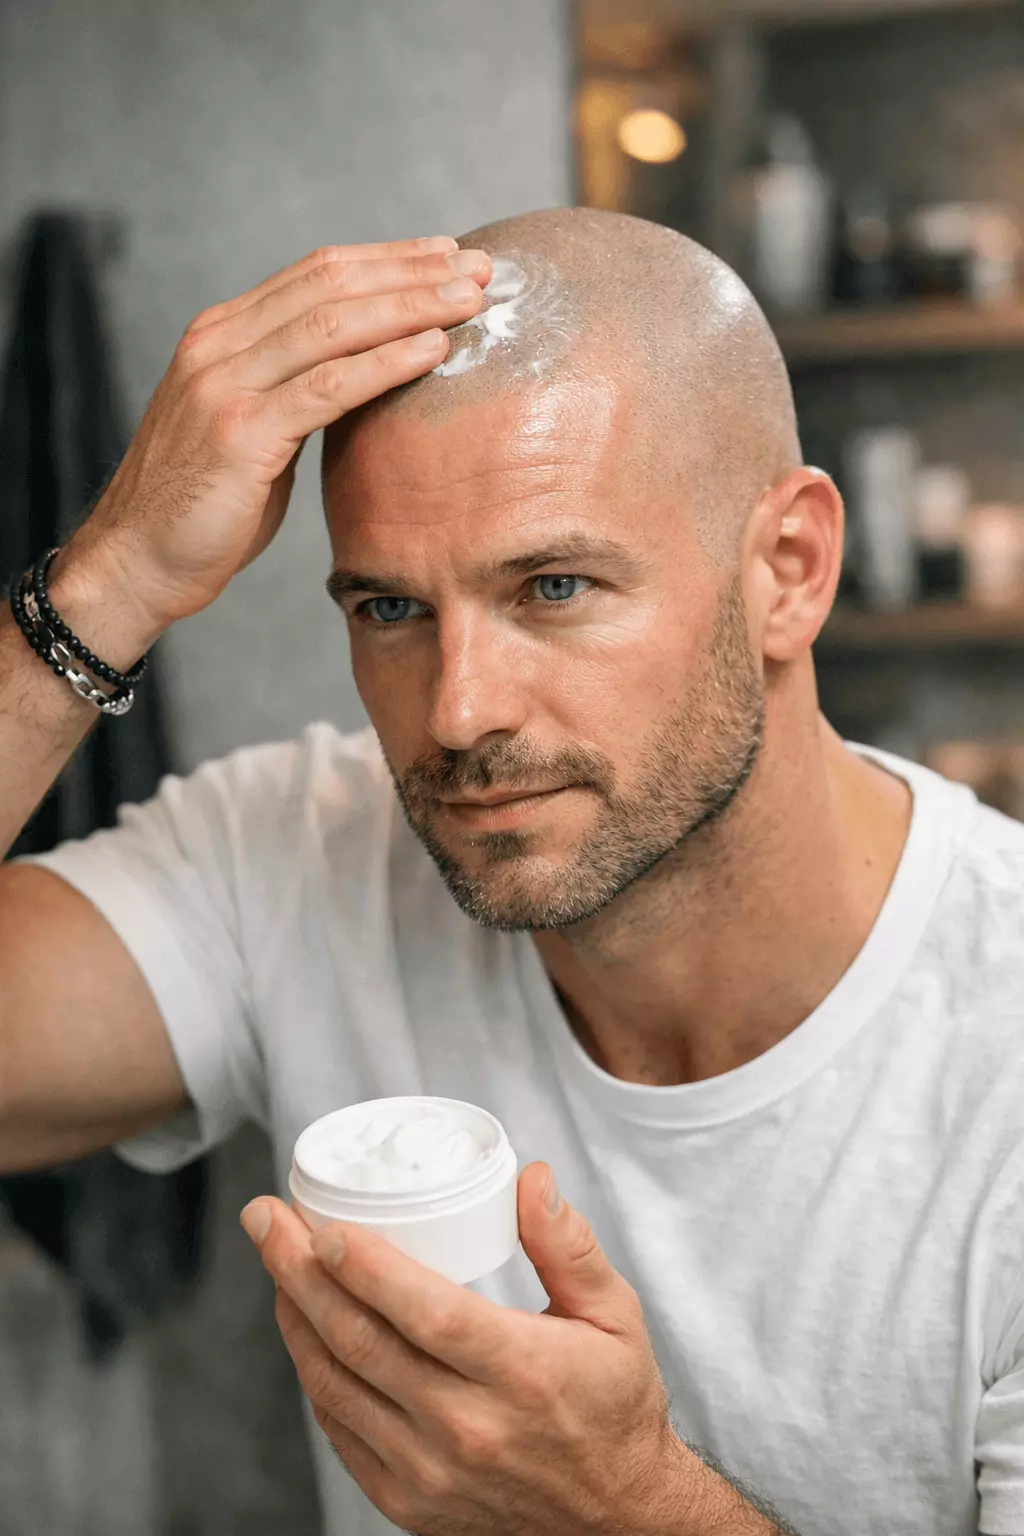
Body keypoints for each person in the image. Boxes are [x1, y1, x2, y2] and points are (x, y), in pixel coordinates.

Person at [0, 206, 1022, 1536]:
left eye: (552, 588)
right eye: (390, 610)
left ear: (790, 569)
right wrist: (111, 580)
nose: (460, 712)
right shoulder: (302, 856)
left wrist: (626, 1511)